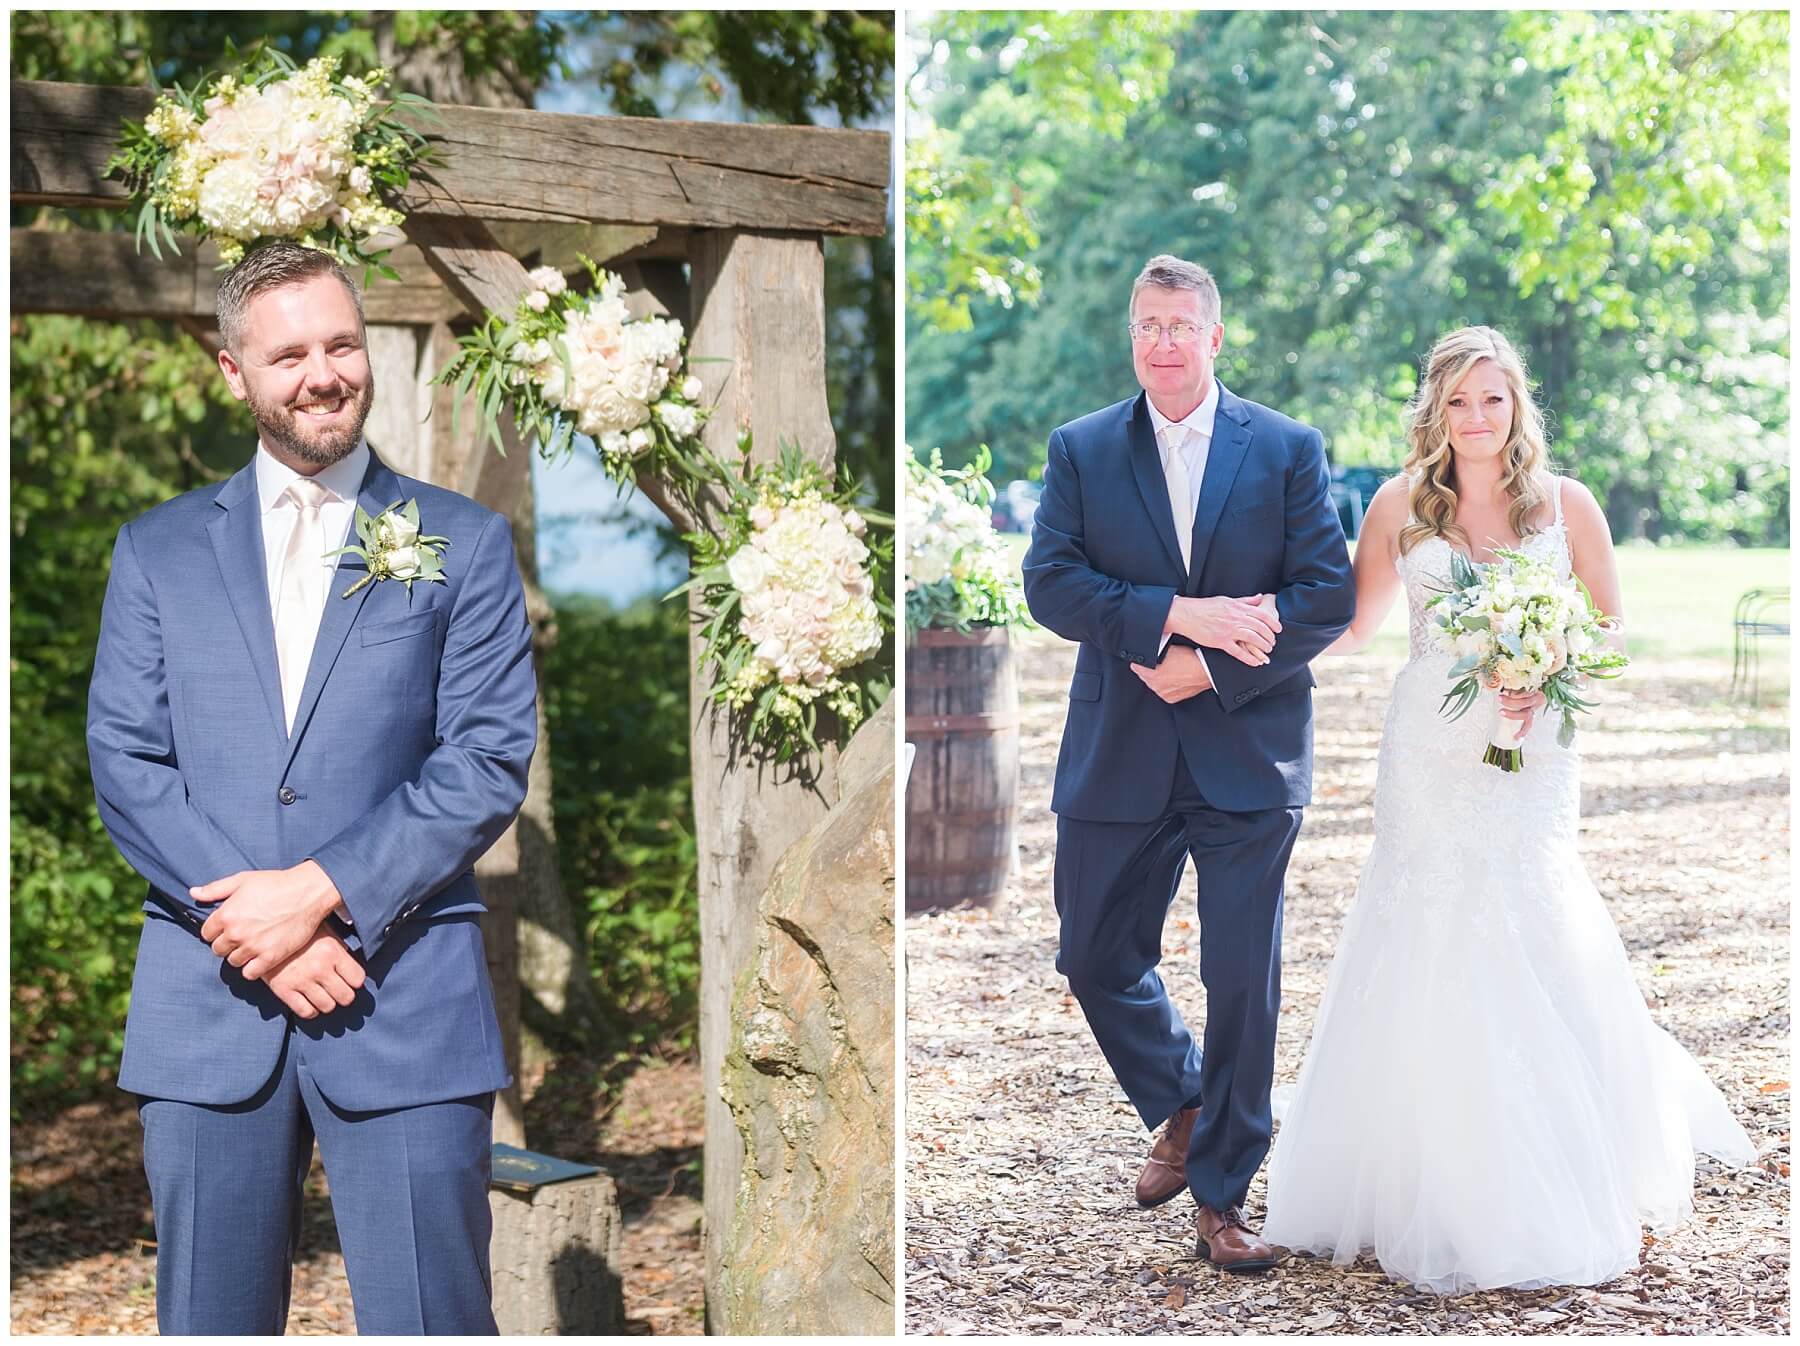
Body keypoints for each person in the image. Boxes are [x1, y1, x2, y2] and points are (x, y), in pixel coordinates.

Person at [87, 242, 537, 1333]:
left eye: (343, 342)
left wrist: (320, 890)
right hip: (208, 1001)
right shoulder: (156, 551)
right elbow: (126, 760)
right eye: (289, 353)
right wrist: (257, 921)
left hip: (406, 996)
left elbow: (484, 757)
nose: (323, 372)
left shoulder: (463, 543)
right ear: (233, 371)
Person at [1261, 325, 1757, 1292]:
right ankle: (1418, 1165)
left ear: (1518, 405)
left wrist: (1547, 662)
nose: (1478, 419)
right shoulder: (1399, 505)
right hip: (1428, 748)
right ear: (1435, 411)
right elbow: (1358, 626)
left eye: (1494, 399)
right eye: (1459, 402)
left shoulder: (1566, 505)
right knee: (1425, 913)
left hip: (1532, 749)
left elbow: (1608, 622)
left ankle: (1560, 1154)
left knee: (1532, 907)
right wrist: (1255, 666)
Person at [1022, 254, 1355, 1271]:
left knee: (1240, 977)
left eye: (1179, 324)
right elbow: (1051, 583)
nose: (1161, 341)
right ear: (1134, 338)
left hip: (1247, 751)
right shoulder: (1082, 448)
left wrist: (1210, 666)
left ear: (1215, 337)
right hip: (1118, 742)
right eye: (1146, 325)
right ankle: (1184, 1094)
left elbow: (1323, 597)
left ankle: (1223, 1193)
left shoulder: (1287, 449)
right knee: (1092, 951)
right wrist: (1171, 619)